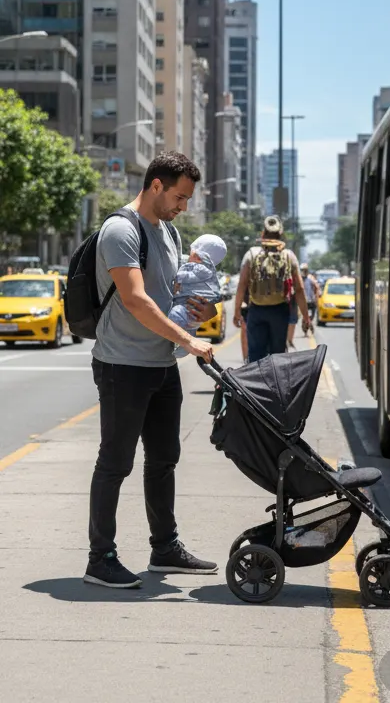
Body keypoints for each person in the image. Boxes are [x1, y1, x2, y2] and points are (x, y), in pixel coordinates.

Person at [85, 152, 219, 589]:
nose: (184, 206)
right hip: (123, 364)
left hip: (161, 363)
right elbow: (136, 299)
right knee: (115, 462)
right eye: (180, 197)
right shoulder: (121, 230)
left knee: (164, 460)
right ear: (156, 185)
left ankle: (165, 548)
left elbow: (171, 296)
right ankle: (100, 558)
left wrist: (199, 309)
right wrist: (187, 341)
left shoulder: (170, 233)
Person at [233, 216, 310, 362]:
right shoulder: (289, 256)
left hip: (256, 310)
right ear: (281, 235)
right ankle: (277, 384)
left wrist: (237, 311)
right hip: (280, 311)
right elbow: (299, 289)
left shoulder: (251, 254)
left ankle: (257, 382)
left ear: (263, 234)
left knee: (256, 354)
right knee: (278, 355)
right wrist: (306, 316)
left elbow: (242, 285)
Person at [168, 234, 226, 358]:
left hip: (184, 308)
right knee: (187, 325)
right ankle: (182, 344)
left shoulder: (197, 268)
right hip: (189, 309)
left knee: (177, 317)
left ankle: (181, 343)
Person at [300, 264, 320, 336]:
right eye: (303, 270)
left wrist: (316, 297)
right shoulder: (299, 279)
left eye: (305, 270)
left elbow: (317, 287)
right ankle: (305, 330)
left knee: (312, 316)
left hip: (311, 301)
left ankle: (309, 323)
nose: (304, 272)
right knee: (304, 317)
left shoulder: (311, 279)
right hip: (303, 302)